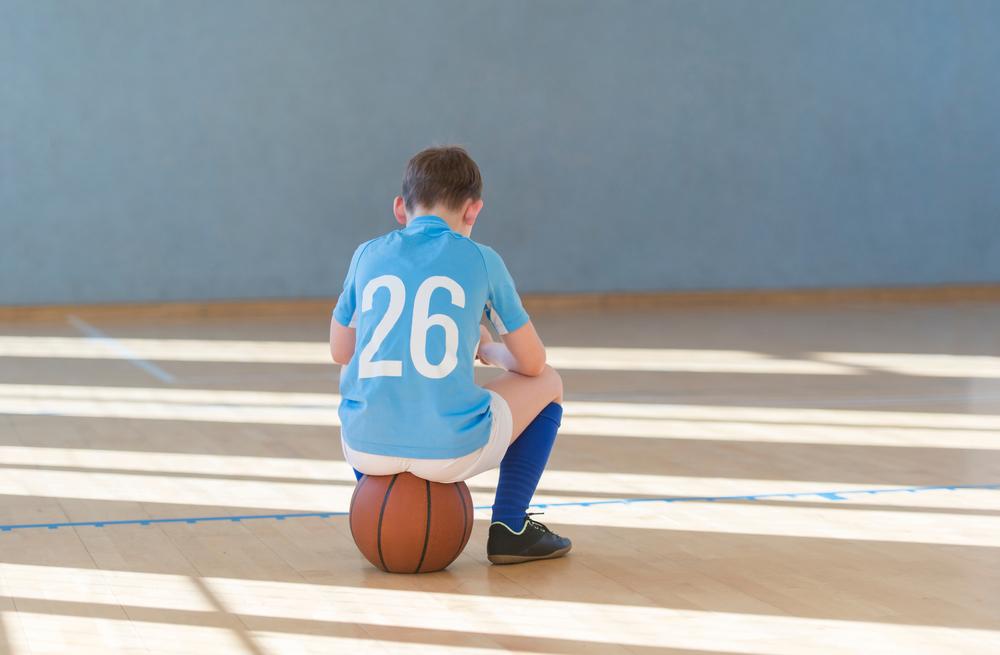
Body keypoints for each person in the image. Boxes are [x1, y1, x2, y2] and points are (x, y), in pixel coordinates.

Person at [329, 145, 571, 564]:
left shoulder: (366, 254)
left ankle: (375, 496)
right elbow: (532, 363)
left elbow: (340, 350)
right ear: (473, 211)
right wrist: (489, 349)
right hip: (449, 452)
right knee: (549, 382)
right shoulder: (482, 259)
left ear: (401, 208)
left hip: (364, 448)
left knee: (353, 373)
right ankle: (511, 525)